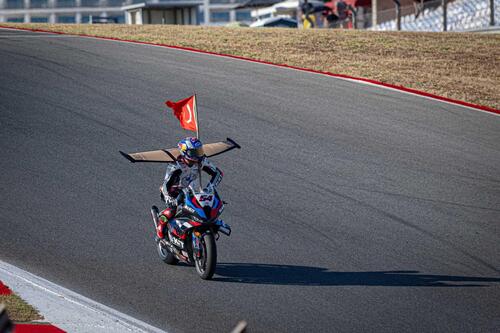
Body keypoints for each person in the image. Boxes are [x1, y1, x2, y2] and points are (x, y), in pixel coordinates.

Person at [156, 137, 223, 239]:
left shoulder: (201, 161)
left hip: (192, 190)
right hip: (173, 191)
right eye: (194, 152)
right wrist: (170, 198)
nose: (198, 155)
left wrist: (210, 187)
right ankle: (161, 223)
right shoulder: (176, 166)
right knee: (173, 209)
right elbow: (166, 185)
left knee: (204, 208)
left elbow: (218, 173)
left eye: (199, 151)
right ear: (185, 152)